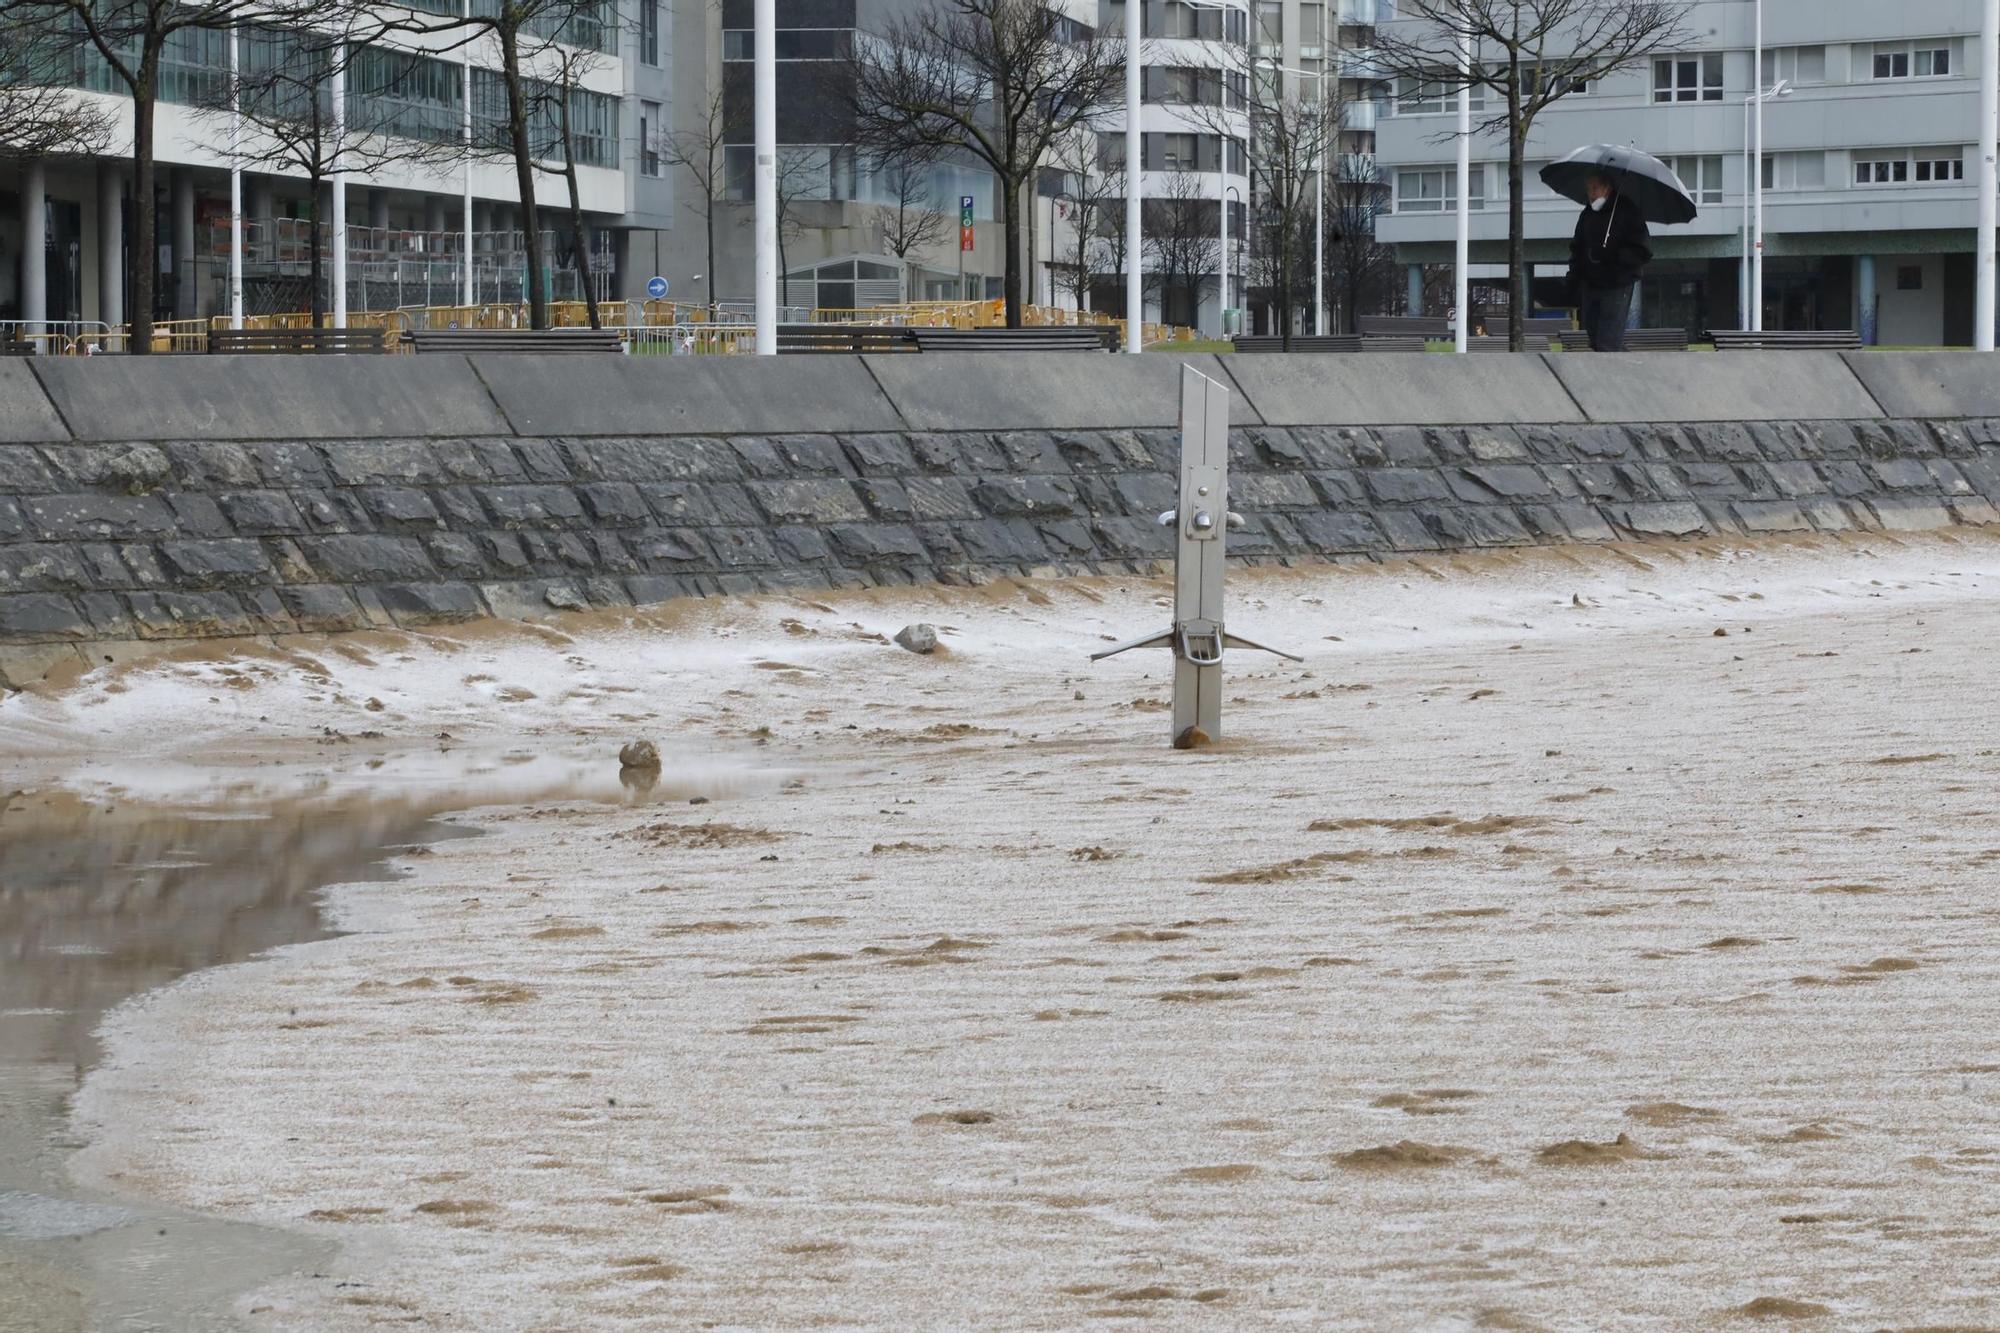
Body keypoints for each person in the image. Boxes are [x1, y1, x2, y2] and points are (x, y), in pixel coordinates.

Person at [1567, 174, 1651, 352]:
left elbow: (1642, 250)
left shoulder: (1627, 212)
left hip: (1617, 283)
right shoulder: (1587, 214)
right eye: (1589, 189)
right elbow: (1577, 247)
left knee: (1608, 338)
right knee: (1595, 336)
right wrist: (1574, 276)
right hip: (1591, 283)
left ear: (1607, 188)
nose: (1591, 193)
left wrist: (1613, 257)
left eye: (1595, 188)